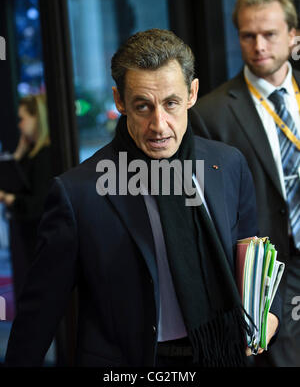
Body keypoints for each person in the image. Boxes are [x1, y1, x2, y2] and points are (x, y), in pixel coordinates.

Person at [4, 29, 280, 367]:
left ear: (192, 94)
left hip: (222, 356)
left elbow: (255, 259)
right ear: (120, 101)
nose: (159, 125)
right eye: (142, 106)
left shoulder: (229, 164)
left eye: (171, 103)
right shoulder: (78, 193)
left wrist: (270, 314)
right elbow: (40, 312)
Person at [190, 0, 300, 367]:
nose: (259, 46)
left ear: (293, 35)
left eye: (269, 34)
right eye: (247, 35)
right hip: (270, 271)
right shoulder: (210, 113)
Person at [0, 94, 53, 301]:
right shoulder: (32, 155)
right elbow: (11, 182)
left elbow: (37, 204)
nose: (20, 125)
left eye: (23, 119)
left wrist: (9, 199)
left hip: (40, 238)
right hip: (30, 236)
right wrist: (19, 153)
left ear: (36, 119)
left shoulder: (44, 157)